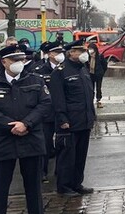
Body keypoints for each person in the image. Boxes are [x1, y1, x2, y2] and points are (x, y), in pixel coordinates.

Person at [0, 45, 54, 214]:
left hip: (30, 137)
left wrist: (26, 124)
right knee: (0, 184)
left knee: (33, 183)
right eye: (14, 60)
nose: (19, 63)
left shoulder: (36, 80)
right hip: (2, 140)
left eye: (21, 59)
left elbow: (45, 105)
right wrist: (11, 126)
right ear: (4, 62)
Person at [49, 39, 96, 196]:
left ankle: (77, 183)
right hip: (69, 121)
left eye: (84, 51)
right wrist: (62, 118)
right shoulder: (60, 71)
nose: (84, 54)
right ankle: (64, 186)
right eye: (80, 51)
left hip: (84, 119)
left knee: (80, 155)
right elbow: (57, 98)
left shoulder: (83, 69)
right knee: (67, 156)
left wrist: (92, 115)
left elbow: (89, 94)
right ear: (71, 53)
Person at [32, 41, 65, 181]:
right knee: (45, 144)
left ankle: (61, 170)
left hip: (62, 112)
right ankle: (42, 172)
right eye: (57, 52)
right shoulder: (39, 69)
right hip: (47, 114)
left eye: (61, 52)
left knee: (63, 144)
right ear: (50, 54)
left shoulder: (65, 68)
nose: (60, 55)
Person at [87, 40, 108, 108]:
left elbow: (105, 65)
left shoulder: (100, 56)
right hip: (91, 74)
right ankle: (91, 100)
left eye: (91, 49)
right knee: (91, 88)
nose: (90, 50)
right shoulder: (87, 57)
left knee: (98, 88)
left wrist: (102, 72)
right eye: (89, 49)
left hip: (98, 74)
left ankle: (98, 100)